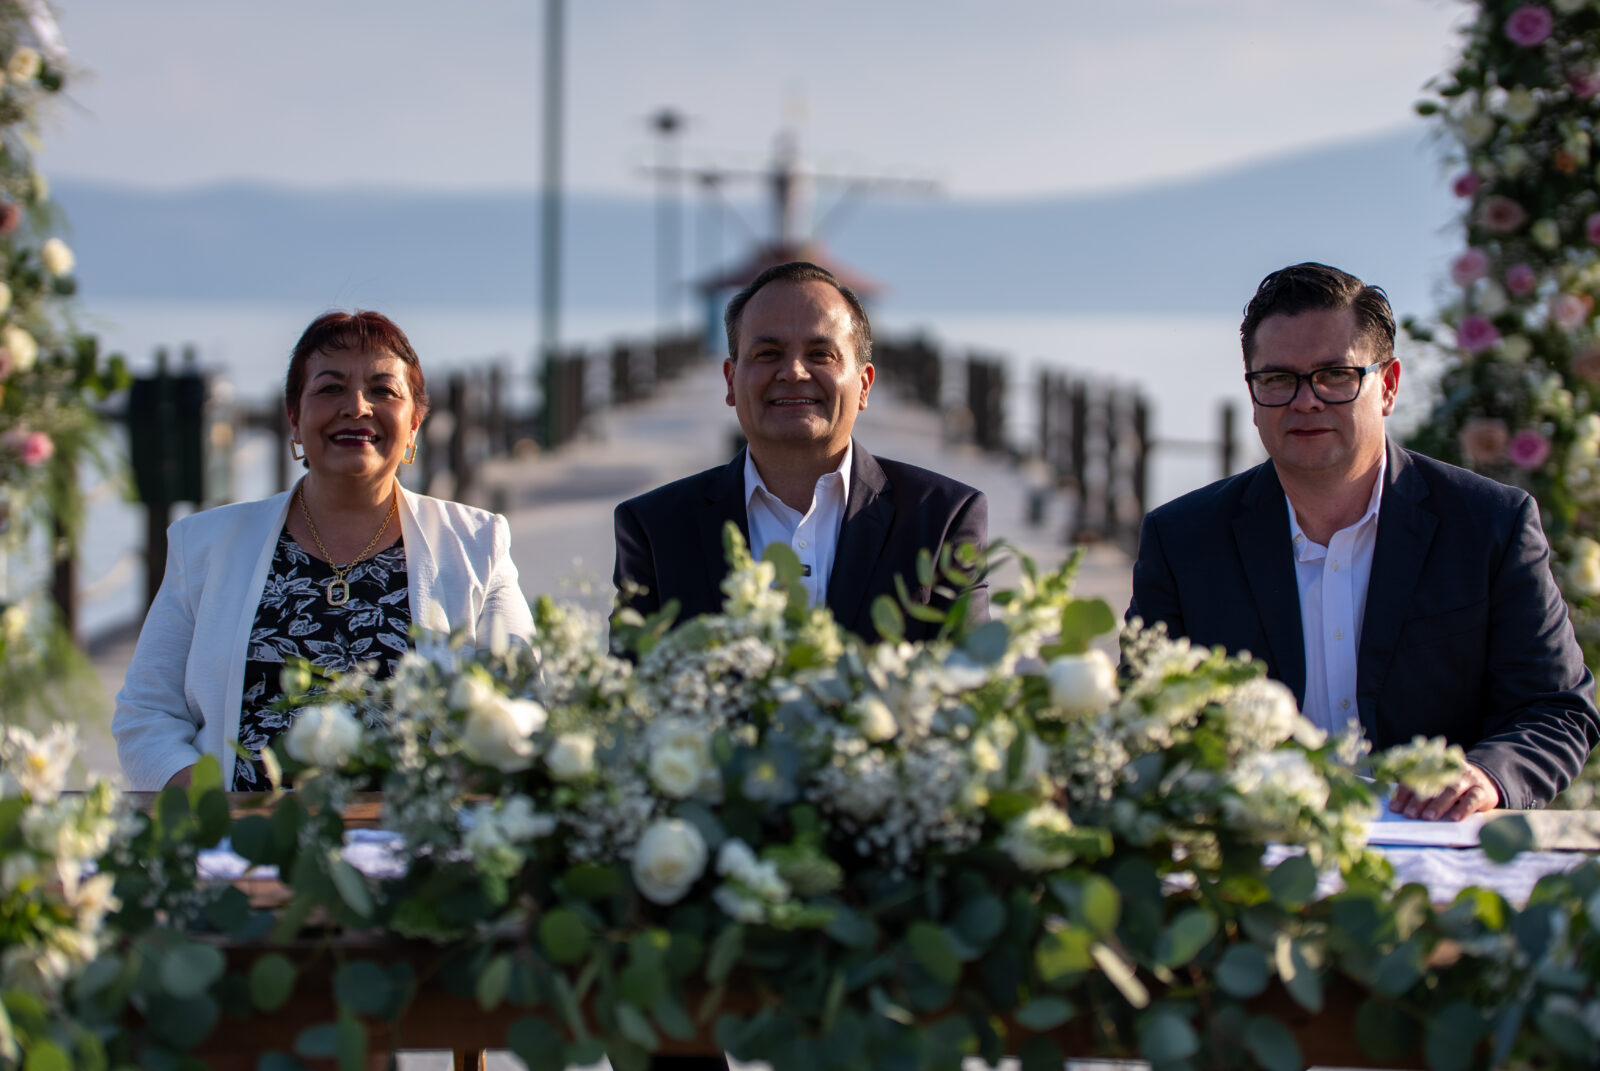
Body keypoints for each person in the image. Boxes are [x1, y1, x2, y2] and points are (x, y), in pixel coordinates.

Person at [1129, 262, 1598, 819]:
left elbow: (1556, 707)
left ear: (1389, 386)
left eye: (1334, 374)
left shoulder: (1491, 524)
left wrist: (1488, 776)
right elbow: (1142, 719)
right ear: (1252, 396)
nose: (1306, 401)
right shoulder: (1182, 540)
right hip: (1252, 855)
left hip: (1440, 855)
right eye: (1278, 379)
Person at [114, 311, 535, 791]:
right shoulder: (205, 545)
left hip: (414, 850)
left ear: (415, 425)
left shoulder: (477, 544)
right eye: (330, 388)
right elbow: (146, 714)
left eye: (383, 390)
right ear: (294, 419)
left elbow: (521, 705)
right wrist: (215, 814)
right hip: (242, 848)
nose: (356, 407)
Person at [613, 261, 988, 642]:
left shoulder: (941, 518)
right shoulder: (655, 528)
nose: (793, 371)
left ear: (864, 385)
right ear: (730, 380)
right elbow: (627, 690)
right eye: (768, 353)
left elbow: (972, 682)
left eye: (821, 354)